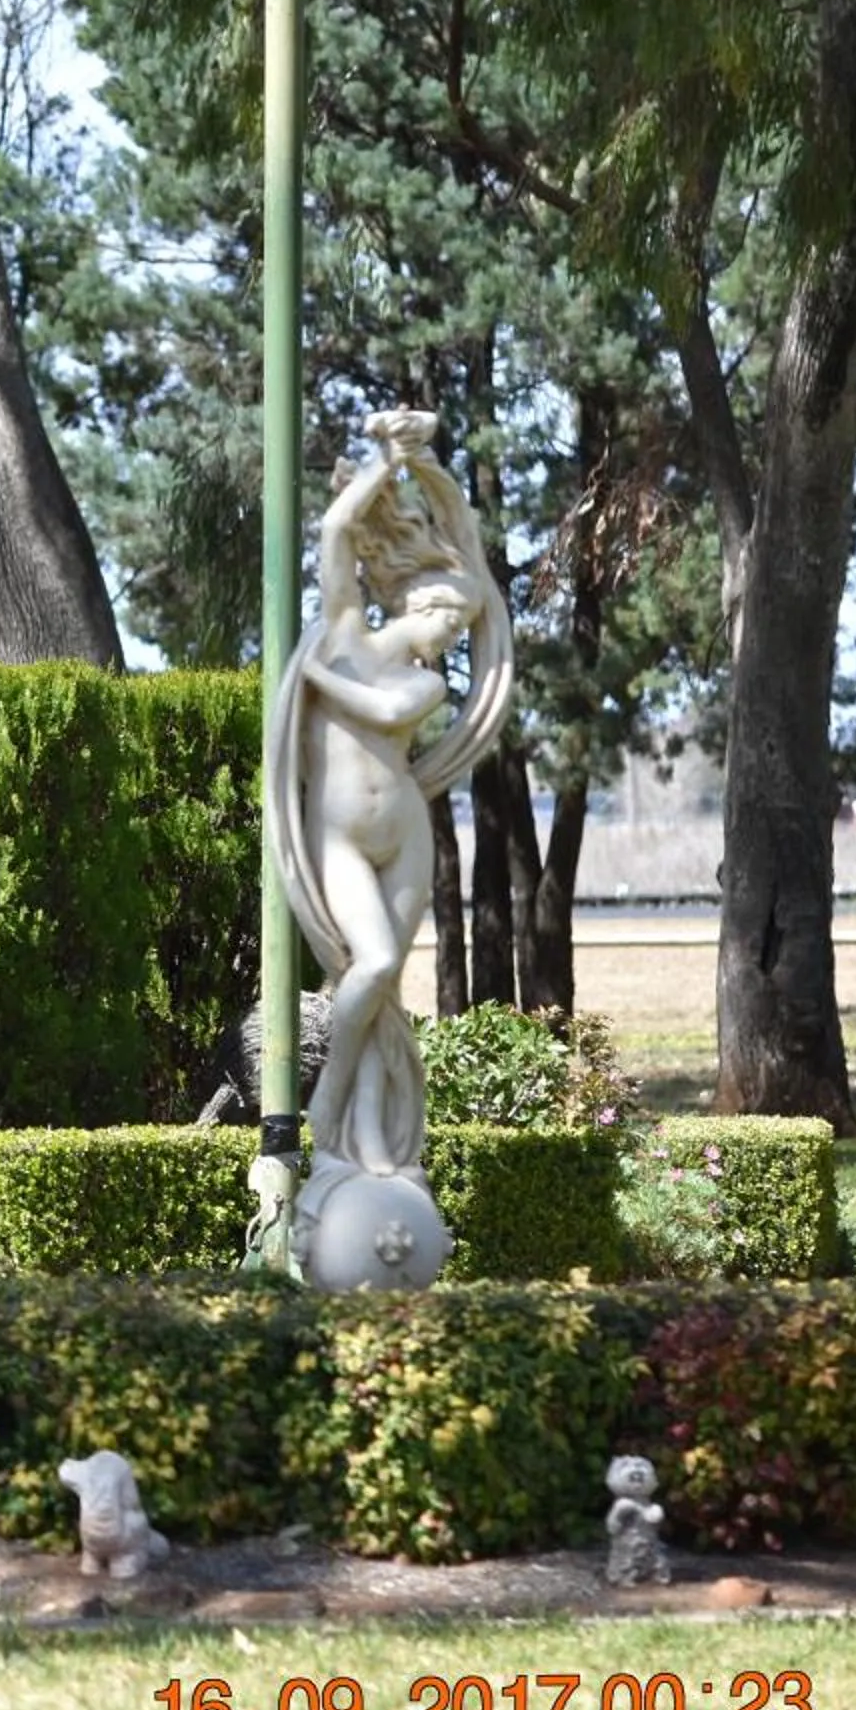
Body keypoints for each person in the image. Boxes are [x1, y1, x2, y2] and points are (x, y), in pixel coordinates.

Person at [268, 411, 512, 1182]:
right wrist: (390, 463)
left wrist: (313, 680)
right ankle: (327, 1103)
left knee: (384, 990)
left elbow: (384, 714)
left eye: (461, 621)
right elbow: (338, 530)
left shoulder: (420, 679)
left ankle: (369, 1146)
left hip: (404, 832)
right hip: (336, 834)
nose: (450, 629)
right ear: (412, 597)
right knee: (367, 967)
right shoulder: (340, 627)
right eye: (447, 613)